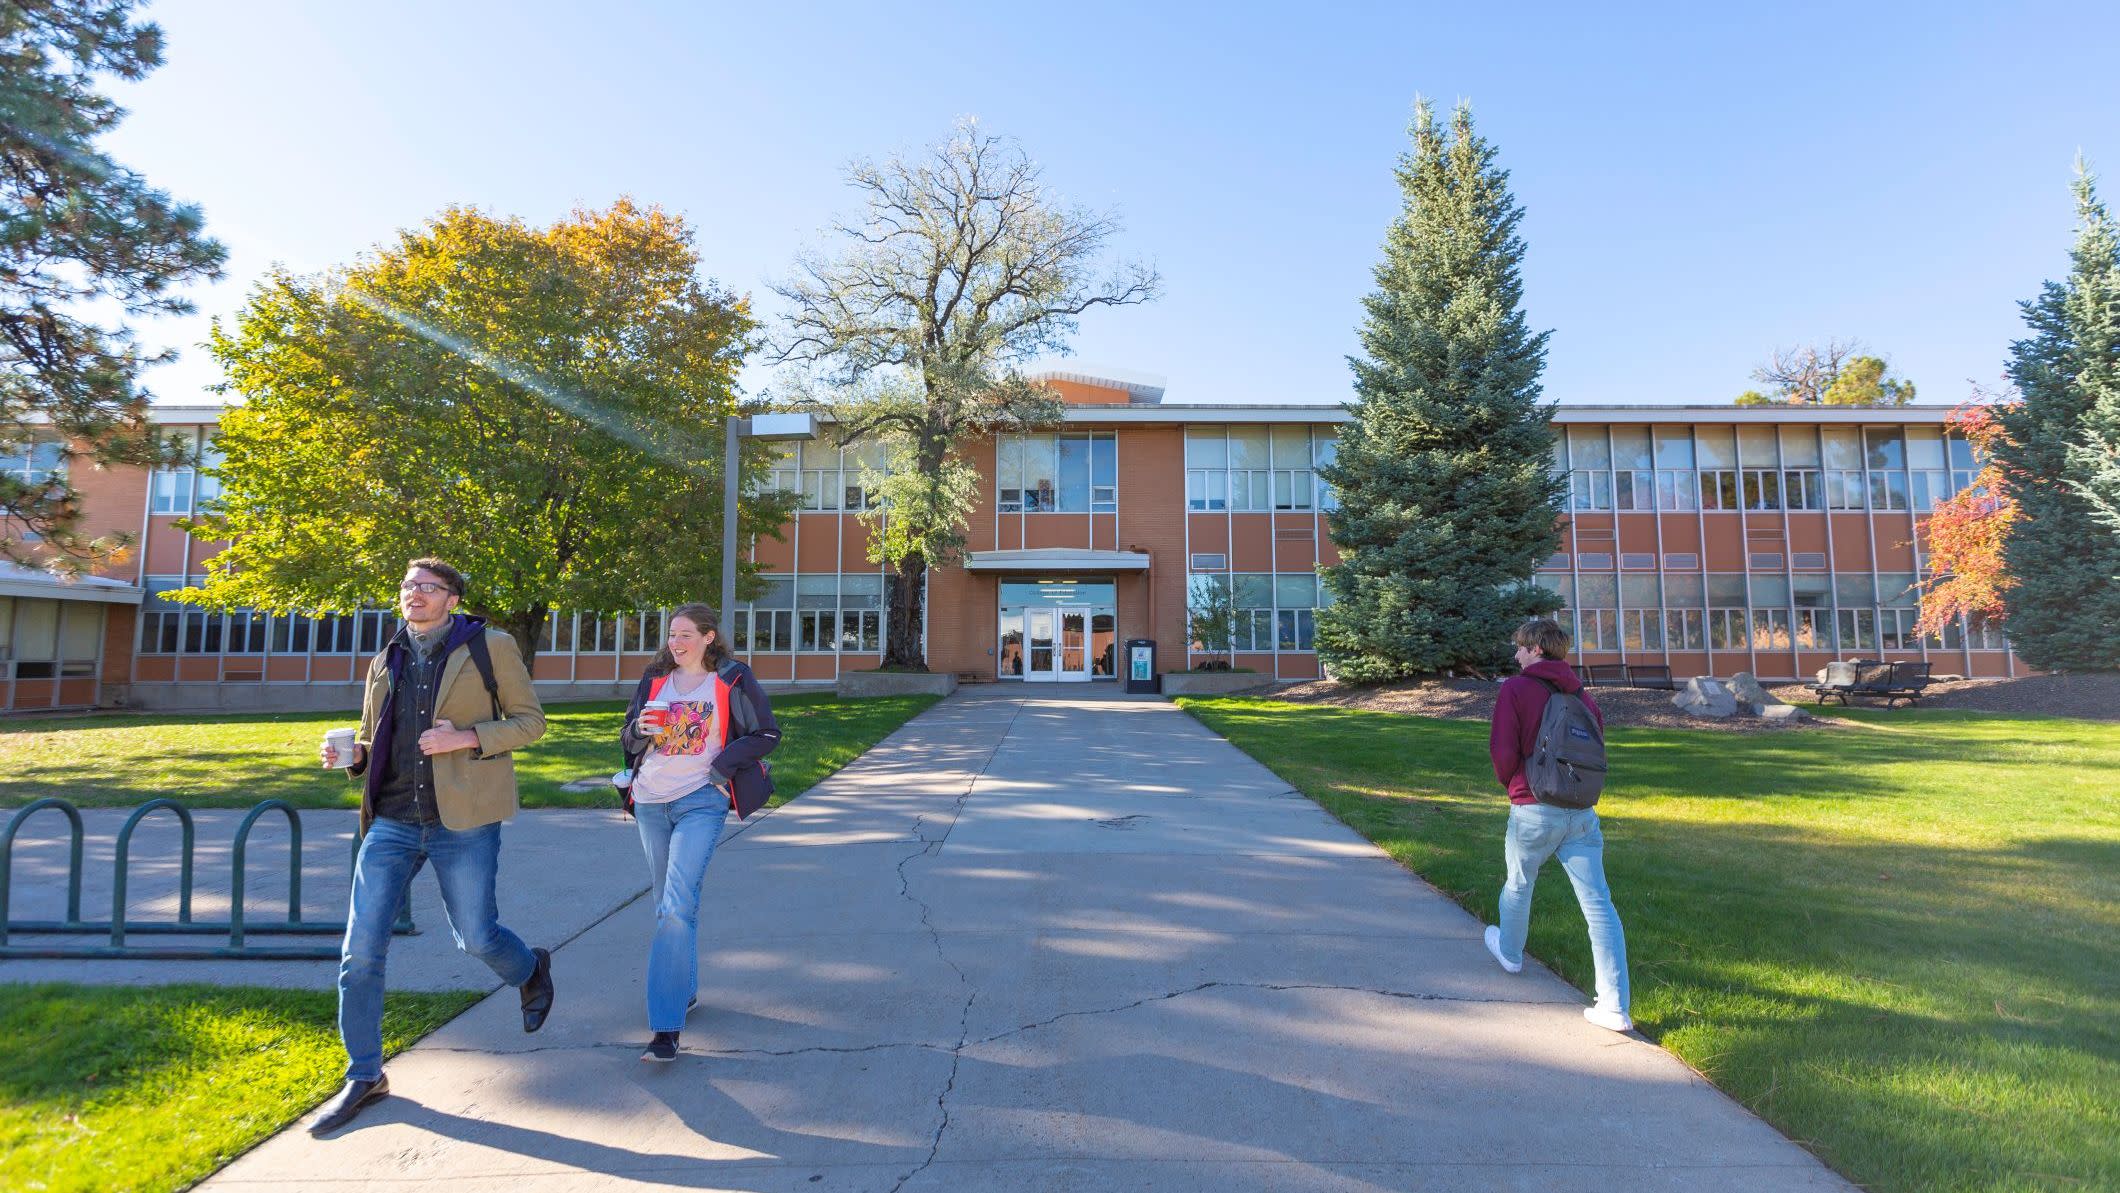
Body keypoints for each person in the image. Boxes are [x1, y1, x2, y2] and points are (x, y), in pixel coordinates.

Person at [307, 558, 553, 1135]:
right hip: (391, 820)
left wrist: (465, 737)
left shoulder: (489, 646)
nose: (413, 593)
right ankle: (364, 1074)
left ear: (451, 597)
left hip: (461, 819)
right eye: (407, 585)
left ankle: (530, 970)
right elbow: (377, 735)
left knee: (476, 936)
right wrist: (356, 756)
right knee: (360, 952)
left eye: (426, 587)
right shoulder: (385, 657)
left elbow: (530, 722)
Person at [617, 603, 780, 1062]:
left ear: (709, 638)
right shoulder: (654, 678)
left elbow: (767, 733)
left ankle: (665, 1029)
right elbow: (627, 738)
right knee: (665, 906)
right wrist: (638, 730)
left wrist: (719, 769)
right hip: (650, 801)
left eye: (686, 634)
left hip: (701, 801)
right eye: (672, 634)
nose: (676, 642)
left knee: (677, 905)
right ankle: (683, 991)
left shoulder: (731, 678)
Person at [1481, 617, 1633, 1033]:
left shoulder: (1515, 689)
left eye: (1519, 647)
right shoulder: (1581, 694)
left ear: (1535, 650)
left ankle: (1510, 953)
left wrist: (1512, 784)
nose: (1515, 654)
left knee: (1519, 882)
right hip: (1580, 811)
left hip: (1533, 807)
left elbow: (1502, 749)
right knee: (1598, 904)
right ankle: (1615, 1006)